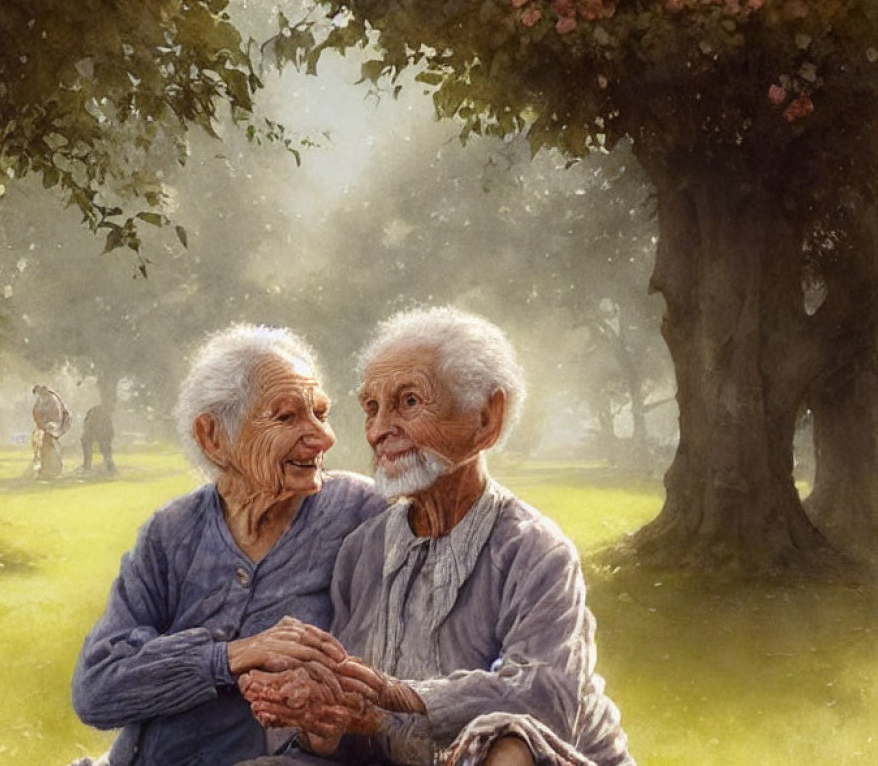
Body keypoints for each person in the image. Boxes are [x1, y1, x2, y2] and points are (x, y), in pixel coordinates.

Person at [238, 308, 635, 766]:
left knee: (506, 750)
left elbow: (545, 699)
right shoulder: (362, 550)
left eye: (408, 402)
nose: (379, 430)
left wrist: (402, 695)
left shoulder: (534, 549)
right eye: (371, 408)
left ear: (486, 418)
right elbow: (358, 721)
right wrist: (324, 719)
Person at [71, 325, 386, 766]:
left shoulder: (359, 512)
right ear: (213, 437)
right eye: (286, 417)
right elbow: (96, 690)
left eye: (320, 413)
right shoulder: (171, 531)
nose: (323, 437)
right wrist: (229, 657)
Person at [32, 384, 71, 479]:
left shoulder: (46, 399)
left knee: (46, 447)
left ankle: (48, 469)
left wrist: (45, 427)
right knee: (48, 446)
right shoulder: (52, 396)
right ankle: (50, 469)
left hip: (52, 425)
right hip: (57, 425)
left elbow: (38, 415)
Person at [81, 403, 116, 474]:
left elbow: (109, 434)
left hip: (102, 434)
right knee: (104, 450)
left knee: (106, 450)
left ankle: (109, 467)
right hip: (97, 433)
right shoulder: (94, 418)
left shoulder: (104, 423)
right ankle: (88, 467)